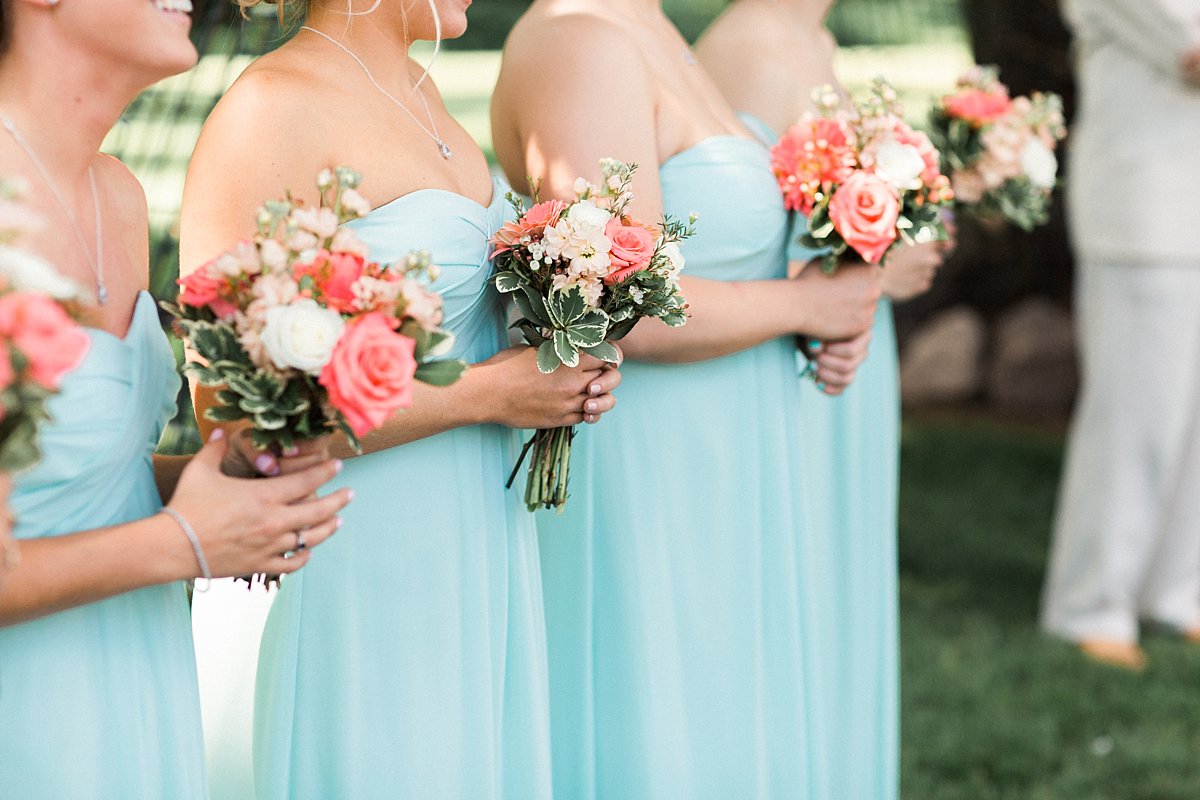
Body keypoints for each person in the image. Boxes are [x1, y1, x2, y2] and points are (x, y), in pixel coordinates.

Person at [180, 1, 622, 796]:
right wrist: (492, 394)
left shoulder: (418, 87)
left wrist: (557, 346)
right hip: (352, 550)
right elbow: (233, 412)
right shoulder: (267, 109)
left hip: (472, 534)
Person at [491, 1, 881, 795]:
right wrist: (804, 308)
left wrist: (826, 302)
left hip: (729, 452)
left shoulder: (646, 25)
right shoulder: (581, 42)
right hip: (650, 465)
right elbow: (609, 307)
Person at [0, 1, 350, 797]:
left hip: (139, 675)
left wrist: (229, 481)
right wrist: (186, 543)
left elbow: (75, 477)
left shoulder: (115, 196)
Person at [696, 2, 949, 797]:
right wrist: (873, 271)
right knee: (799, 586)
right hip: (794, 360)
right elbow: (730, 241)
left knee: (844, 589)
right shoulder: (751, 45)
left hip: (848, 355)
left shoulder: (813, 37)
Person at [1041, 0, 1200, 670]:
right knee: (1136, 418)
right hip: (1146, 210)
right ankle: (1091, 602)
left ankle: (1177, 591)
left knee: (1191, 425)